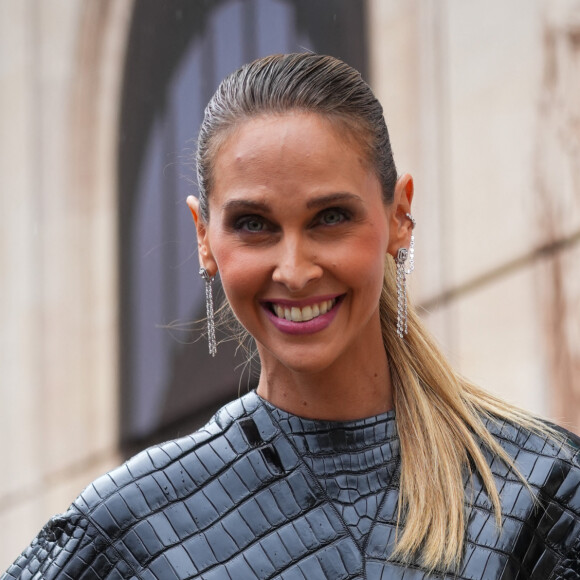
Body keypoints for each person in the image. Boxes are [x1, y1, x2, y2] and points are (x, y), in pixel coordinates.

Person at [3, 53, 580, 580]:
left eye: (330, 217)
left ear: (400, 215)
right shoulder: (131, 531)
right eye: (254, 224)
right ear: (204, 237)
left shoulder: (543, 491)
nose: (295, 270)